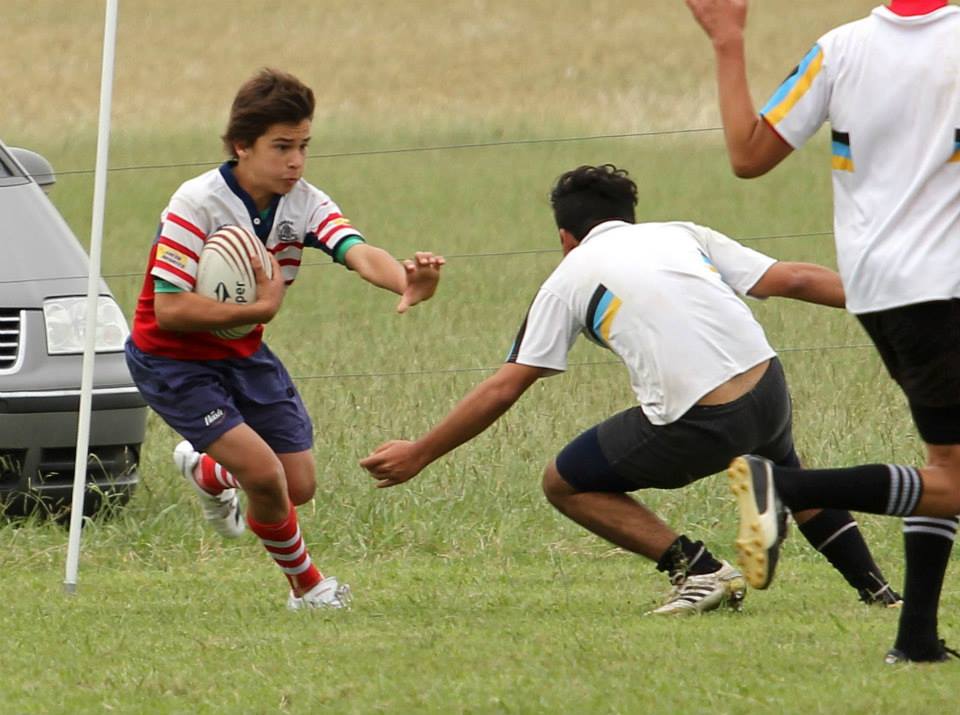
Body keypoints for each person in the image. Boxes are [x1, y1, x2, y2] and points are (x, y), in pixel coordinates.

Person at [360, 163, 898, 615]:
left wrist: (420, 453)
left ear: (565, 238)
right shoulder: (682, 233)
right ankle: (879, 593)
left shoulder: (568, 276)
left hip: (702, 420)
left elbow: (505, 386)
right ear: (628, 217)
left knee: (563, 482)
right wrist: (894, 302)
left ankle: (700, 571)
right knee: (786, 473)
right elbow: (794, 279)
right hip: (768, 387)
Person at [687, 0, 960, 661]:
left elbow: (748, 154)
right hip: (944, 287)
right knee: (953, 479)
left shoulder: (838, 49)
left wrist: (728, 42)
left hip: (877, 291)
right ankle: (787, 488)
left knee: (946, 466)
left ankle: (916, 639)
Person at [125, 68, 444, 610]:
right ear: (241, 146)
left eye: (303, 146)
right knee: (265, 475)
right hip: (172, 361)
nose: (296, 161)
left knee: (297, 486)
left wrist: (406, 281)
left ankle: (208, 470)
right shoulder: (196, 203)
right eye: (281, 147)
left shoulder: (304, 202)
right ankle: (309, 588)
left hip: (242, 354)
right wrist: (261, 308)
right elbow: (171, 310)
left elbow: (356, 250)